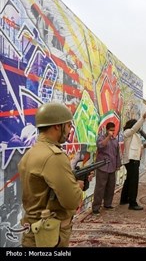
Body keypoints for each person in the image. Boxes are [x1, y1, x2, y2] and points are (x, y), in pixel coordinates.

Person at [18, 102, 84, 247]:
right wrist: (78, 186)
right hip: (49, 235)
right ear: (57, 126)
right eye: (68, 126)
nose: (69, 130)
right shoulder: (54, 156)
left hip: (33, 229)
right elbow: (72, 201)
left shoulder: (31, 153)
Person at [120, 111, 146, 210]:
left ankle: (124, 199)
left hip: (134, 160)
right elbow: (134, 129)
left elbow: (133, 146)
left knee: (129, 180)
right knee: (133, 182)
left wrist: (142, 146)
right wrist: (142, 118)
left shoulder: (133, 135)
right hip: (131, 160)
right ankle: (133, 203)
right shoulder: (128, 132)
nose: (138, 128)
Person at [92, 122, 121, 215]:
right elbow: (100, 145)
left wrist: (118, 165)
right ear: (107, 130)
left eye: (113, 130)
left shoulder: (115, 140)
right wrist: (108, 137)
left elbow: (117, 154)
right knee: (100, 188)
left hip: (112, 166)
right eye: (111, 130)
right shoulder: (101, 137)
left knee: (110, 187)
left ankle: (107, 204)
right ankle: (96, 207)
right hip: (102, 167)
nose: (112, 132)